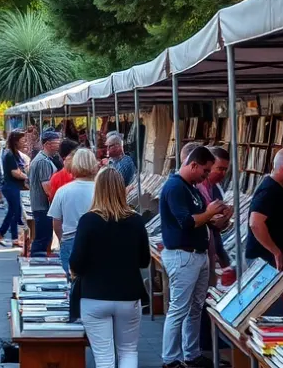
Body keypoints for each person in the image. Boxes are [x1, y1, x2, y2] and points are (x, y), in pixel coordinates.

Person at [69, 167, 149, 368]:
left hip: (94, 294)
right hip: (128, 294)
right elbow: (144, 261)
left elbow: (76, 261)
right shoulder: (136, 220)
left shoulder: (88, 220)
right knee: (128, 350)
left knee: (103, 356)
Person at [159, 146, 225, 368]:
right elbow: (186, 221)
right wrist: (209, 213)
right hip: (182, 255)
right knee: (179, 308)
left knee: (196, 306)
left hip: (197, 254)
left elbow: (203, 220)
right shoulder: (175, 187)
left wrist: (219, 217)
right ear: (193, 164)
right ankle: (170, 358)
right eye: (205, 171)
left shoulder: (192, 188)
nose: (206, 176)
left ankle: (191, 353)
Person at [247, 147, 283, 276]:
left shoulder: (280, 189)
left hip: (277, 263)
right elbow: (255, 223)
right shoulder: (270, 190)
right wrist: (276, 252)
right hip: (269, 264)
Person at [47, 147, 98, 276]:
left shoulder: (63, 191)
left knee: (72, 281)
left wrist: (61, 239)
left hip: (70, 239)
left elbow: (56, 223)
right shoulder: (101, 190)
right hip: (97, 240)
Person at [201, 147, 232, 285]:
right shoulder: (197, 188)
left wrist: (225, 219)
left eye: (225, 169)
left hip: (213, 247)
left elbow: (218, 229)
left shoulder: (216, 189)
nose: (223, 173)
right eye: (220, 168)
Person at [28, 130, 62, 255]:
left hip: (40, 206)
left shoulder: (43, 159)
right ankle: (36, 262)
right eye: (56, 143)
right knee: (43, 238)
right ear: (48, 144)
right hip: (43, 206)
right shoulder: (43, 161)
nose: (59, 146)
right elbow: (47, 187)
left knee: (43, 237)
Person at [0, 130, 29, 248]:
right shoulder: (9, 154)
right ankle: (0, 234)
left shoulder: (16, 153)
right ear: (15, 141)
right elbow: (15, 172)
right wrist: (27, 177)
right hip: (10, 186)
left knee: (15, 212)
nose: (25, 142)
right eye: (23, 140)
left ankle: (14, 239)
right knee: (14, 211)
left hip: (15, 186)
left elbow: (21, 168)